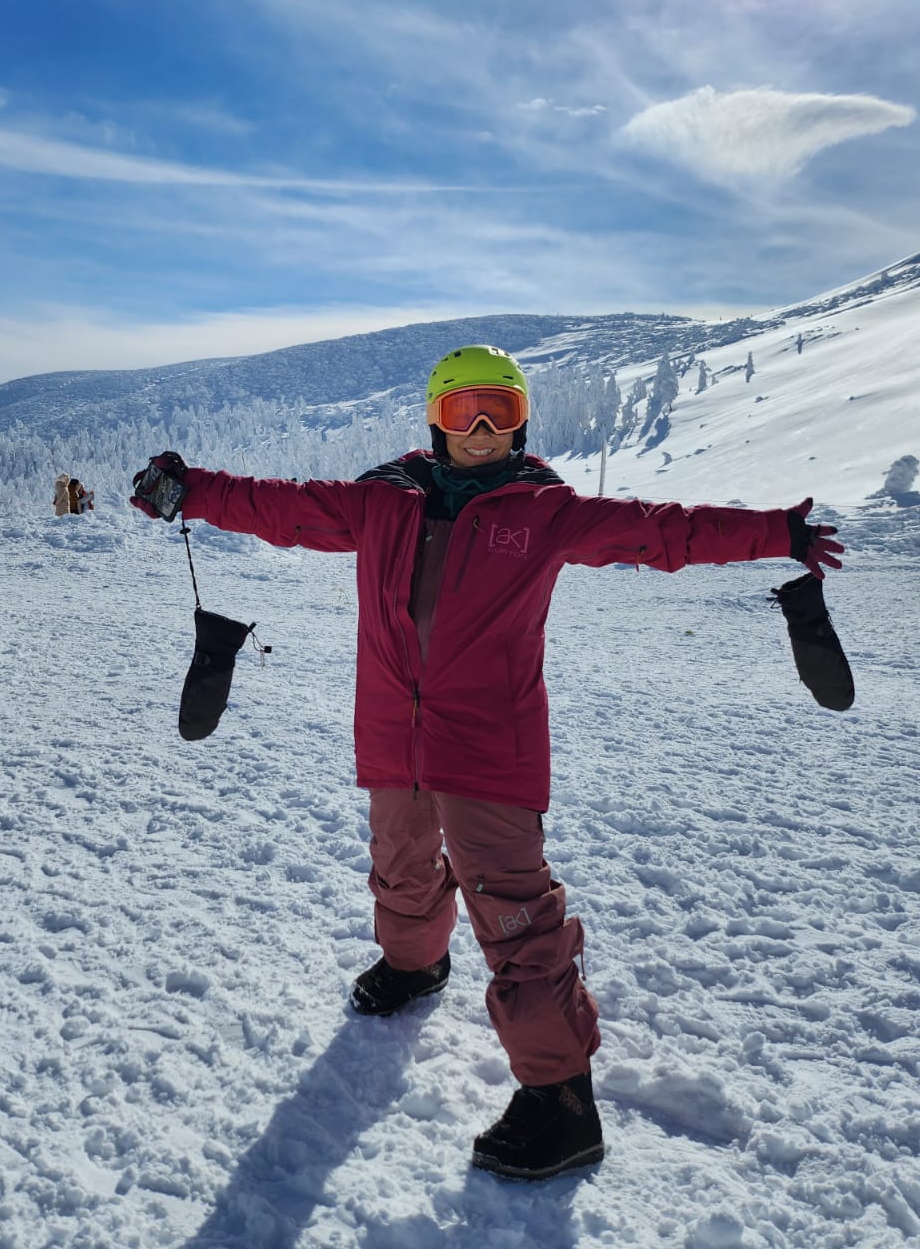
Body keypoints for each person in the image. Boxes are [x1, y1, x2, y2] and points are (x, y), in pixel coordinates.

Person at [129, 345, 843, 1180]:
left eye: (498, 413)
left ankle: (561, 1102)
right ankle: (414, 962)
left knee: (513, 912)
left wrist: (777, 532)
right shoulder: (378, 503)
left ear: (521, 423)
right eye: (465, 409)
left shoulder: (546, 511)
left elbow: (663, 531)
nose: (479, 428)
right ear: (436, 417)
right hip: (394, 728)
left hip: (489, 741)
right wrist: (195, 489)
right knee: (399, 863)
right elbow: (278, 507)